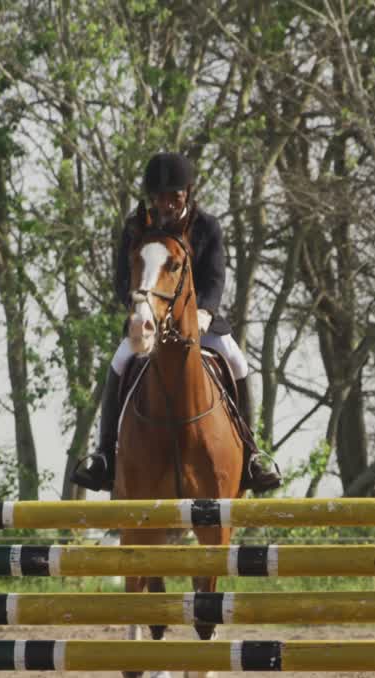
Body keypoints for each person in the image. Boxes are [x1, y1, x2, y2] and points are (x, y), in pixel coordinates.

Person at [71, 151, 282, 495]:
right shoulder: (136, 228)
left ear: (187, 193)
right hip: (150, 320)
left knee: (236, 360)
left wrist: (205, 312)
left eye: (174, 196)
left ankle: (252, 454)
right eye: (159, 197)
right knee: (120, 362)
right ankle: (105, 454)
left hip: (199, 323)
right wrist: (140, 309)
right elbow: (123, 279)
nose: (166, 204)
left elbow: (215, 277)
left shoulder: (206, 227)